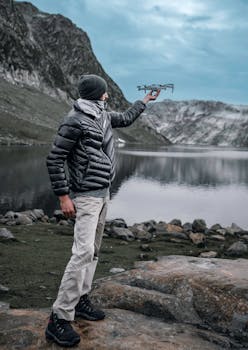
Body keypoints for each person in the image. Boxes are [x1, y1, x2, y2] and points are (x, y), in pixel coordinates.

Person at [45, 74, 160, 347]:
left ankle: (81, 299)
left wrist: (145, 100)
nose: (107, 96)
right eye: (105, 92)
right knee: (82, 252)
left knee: (93, 250)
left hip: (103, 194)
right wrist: (63, 196)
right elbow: (54, 158)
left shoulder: (103, 115)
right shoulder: (75, 120)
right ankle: (59, 317)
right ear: (99, 94)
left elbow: (127, 118)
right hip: (85, 196)